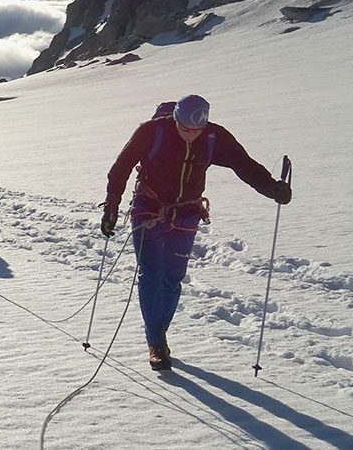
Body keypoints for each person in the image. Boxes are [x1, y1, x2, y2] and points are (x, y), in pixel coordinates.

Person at [100, 95, 292, 371]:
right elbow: (120, 169)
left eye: (196, 132)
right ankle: (156, 343)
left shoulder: (214, 137)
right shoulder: (151, 132)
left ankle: (159, 334)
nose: (190, 136)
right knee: (151, 272)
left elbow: (244, 165)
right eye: (185, 130)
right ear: (175, 119)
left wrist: (272, 188)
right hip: (148, 208)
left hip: (187, 212)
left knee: (173, 277)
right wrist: (111, 206)